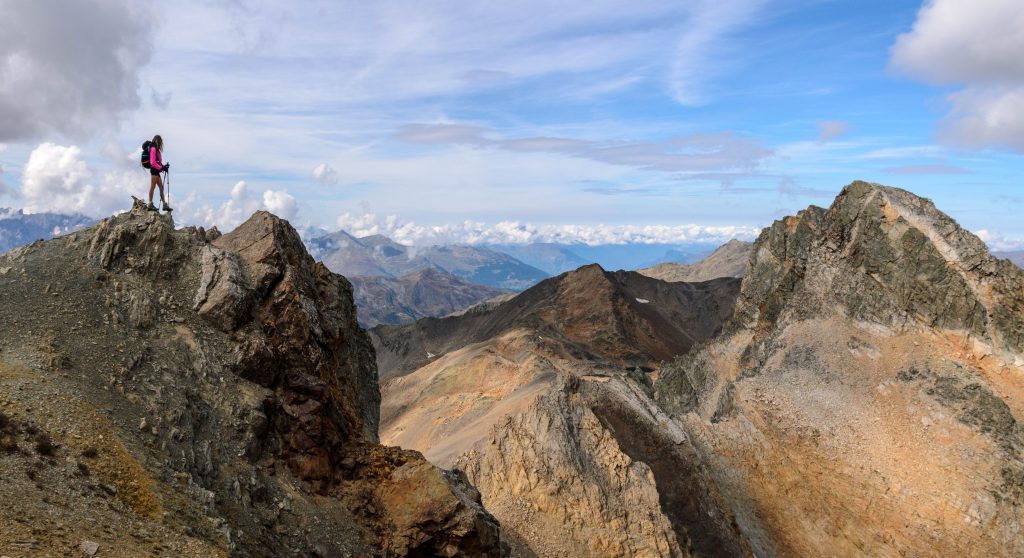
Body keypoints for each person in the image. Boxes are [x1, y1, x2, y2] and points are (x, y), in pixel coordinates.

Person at [147, 135, 172, 211]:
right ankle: (150, 204)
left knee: (161, 188)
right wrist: (162, 168)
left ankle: (164, 205)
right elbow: (153, 163)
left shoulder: (157, 151)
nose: (160, 143)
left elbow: (158, 163)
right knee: (153, 187)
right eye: (160, 141)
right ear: (157, 141)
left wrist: (164, 167)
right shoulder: (153, 149)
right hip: (154, 171)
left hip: (156, 171)